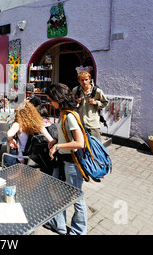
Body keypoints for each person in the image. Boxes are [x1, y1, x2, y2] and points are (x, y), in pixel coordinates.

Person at [45, 83, 87, 235]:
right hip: (63, 160)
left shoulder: (70, 116)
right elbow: (65, 133)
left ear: (58, 98)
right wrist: (56, 140)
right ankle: (60, 225)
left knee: (77, 198)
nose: (50, 102)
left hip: (72, 162)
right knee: (58, 193)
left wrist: (58, 145)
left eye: (51, 99)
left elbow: (79, 143)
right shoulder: (63, 114)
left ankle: (79, 231)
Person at [5, 101, 53, 166]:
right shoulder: (38, 124)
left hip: (23, 158)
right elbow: (50, 140)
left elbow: (9, 134)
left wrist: (11, 140)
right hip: (38, 158)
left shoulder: (18, 124)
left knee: (6, 157)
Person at [71, 70, 108, 142]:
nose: (84, 82)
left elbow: (105, 102)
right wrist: (76, 102)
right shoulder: (76, 90)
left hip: (93, 123)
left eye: (86, 80)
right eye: (82, 80)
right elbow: (71, 103)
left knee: (95, 145)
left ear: (90, 80)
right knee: (80, 144)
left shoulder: (97, 91)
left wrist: (96, 103)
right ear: (79, 81)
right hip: (79, 122)